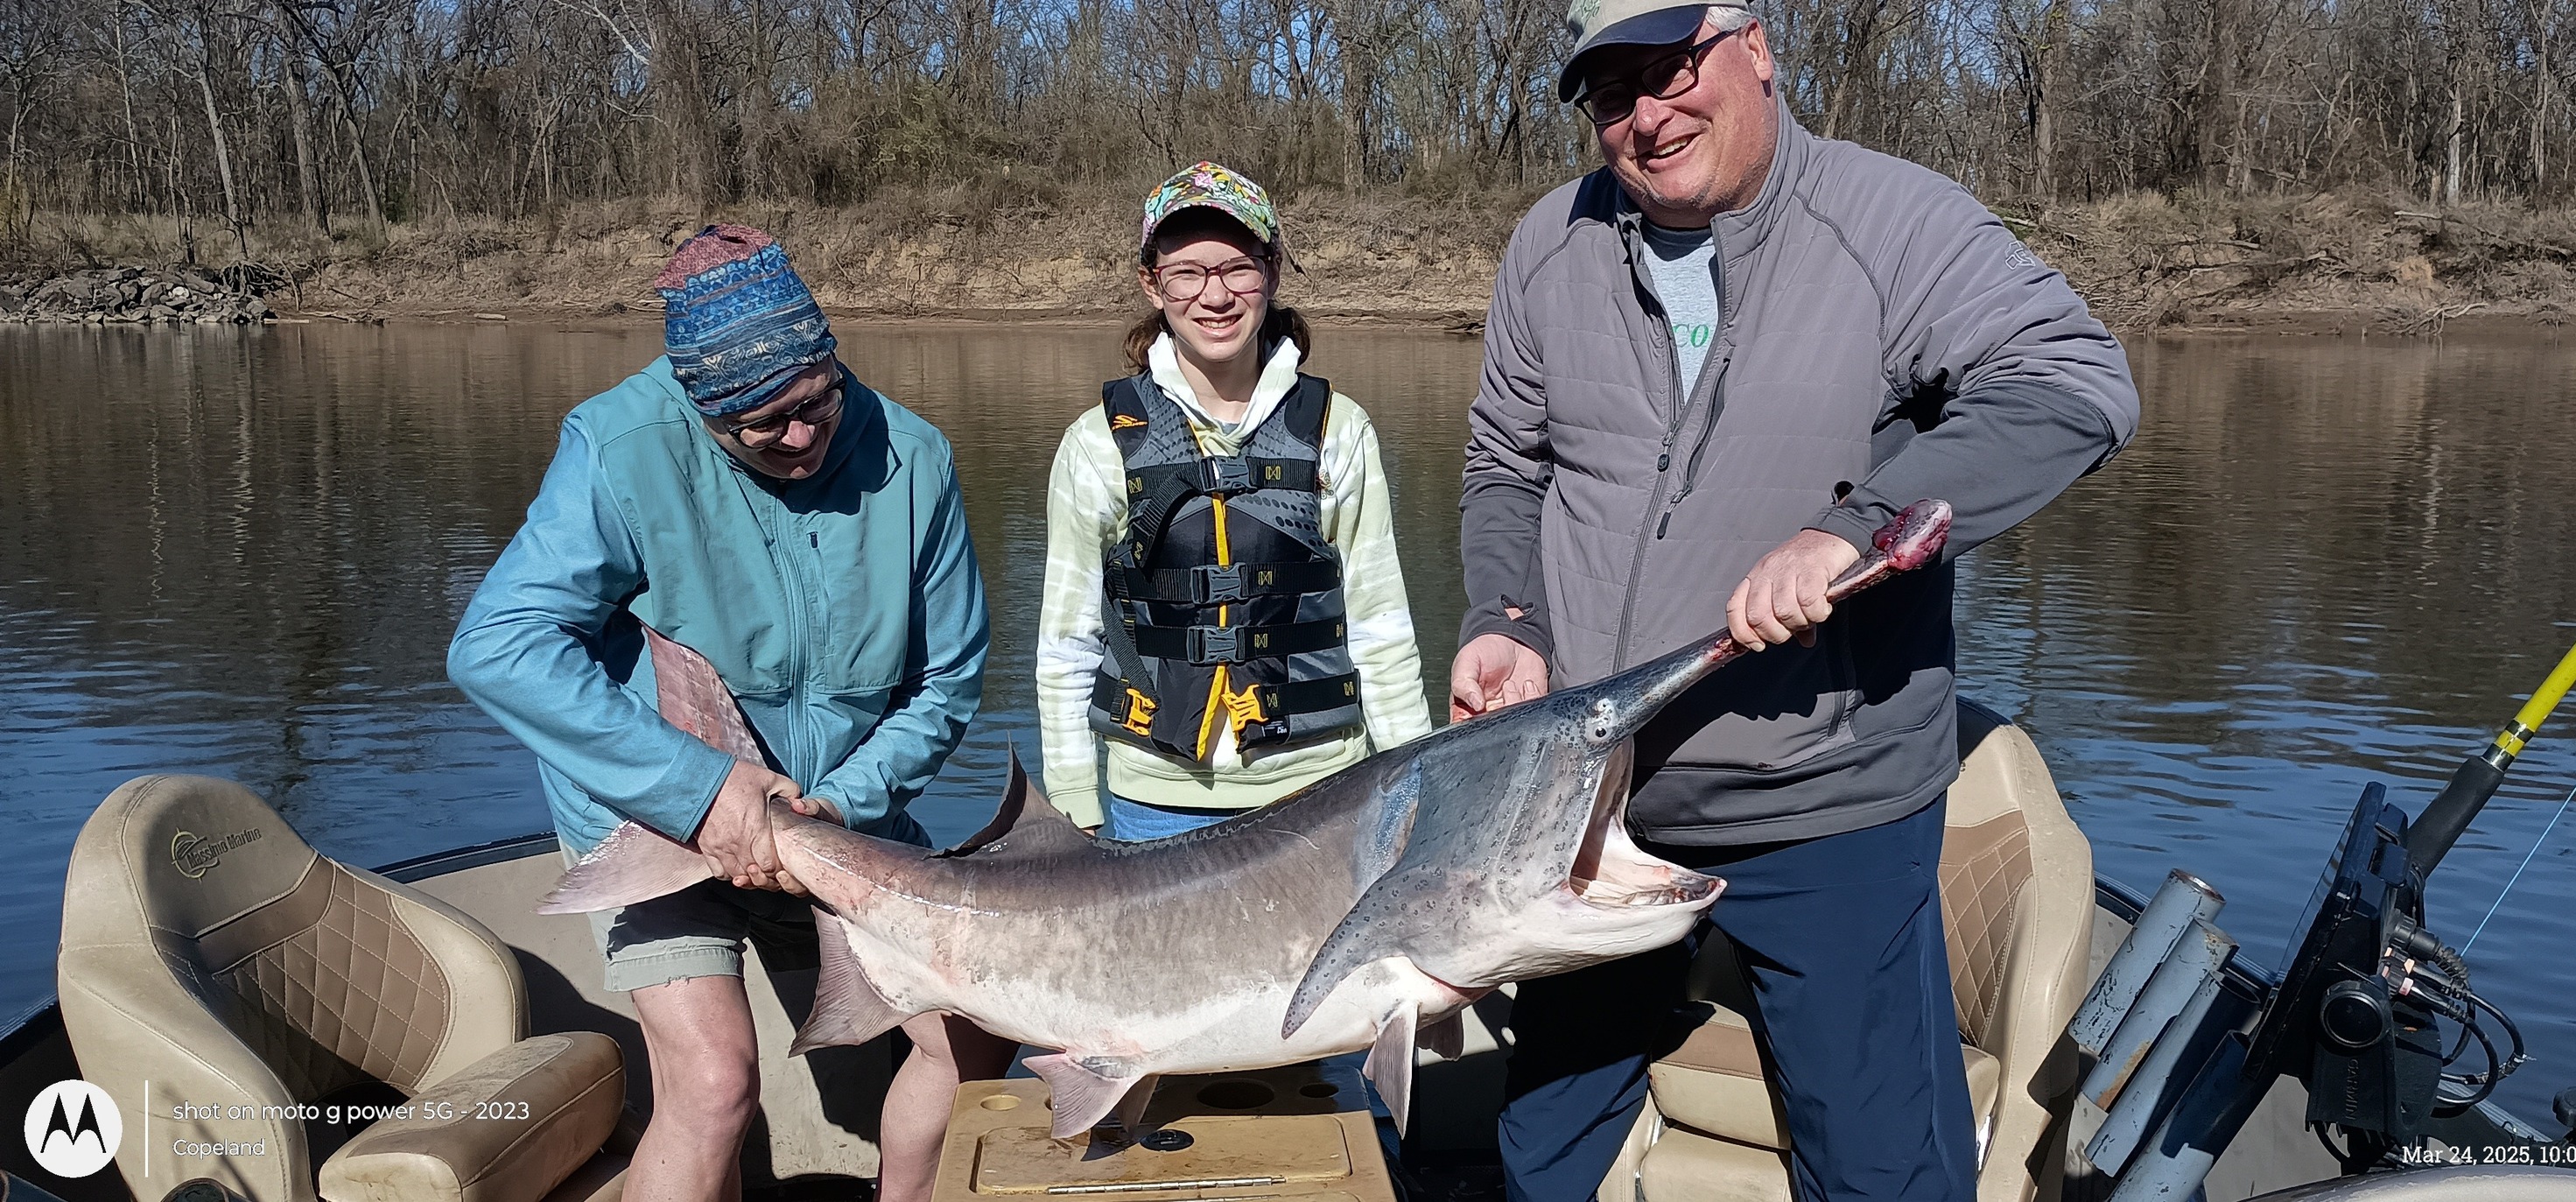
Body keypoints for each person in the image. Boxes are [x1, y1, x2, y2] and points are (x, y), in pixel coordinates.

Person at [1451, 3, 2141, 1198]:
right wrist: (1505, 625)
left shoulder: (1890, 220)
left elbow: (2071, 387)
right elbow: (1505, 465)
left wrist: (1852, 532)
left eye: (1670, 69)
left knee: (1877, 1168)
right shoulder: (1547, 245)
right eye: (1610, 94)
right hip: (1589, 802)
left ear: (1755, 48)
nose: (1646, 116)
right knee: (1540, 1148)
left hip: (1825, 807)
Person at [446, 225, 1014, 1202]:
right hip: (655, 821)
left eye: (816, 403)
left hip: (839, 817)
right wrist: (703, 793)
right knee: (714, 1081)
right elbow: (497, 646)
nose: (802, 437)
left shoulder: (913, 459)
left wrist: (837, 804)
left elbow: (948, 680)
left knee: (972, 1033)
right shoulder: (619, 449)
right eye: (763, 426)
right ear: (701, 410)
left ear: (833, 360)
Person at [1035, 162, 1429, 840]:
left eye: (1237, 268)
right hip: (1149, 806)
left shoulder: (1340, 430)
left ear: (1270, 275)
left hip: (1323, 796)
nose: (1214, 295)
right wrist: (1074, 807)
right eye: (1187, 271)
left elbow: (1380, 628)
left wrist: (1415, 787)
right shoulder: (1096, 443)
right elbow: (1067, 643)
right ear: (1152, 283)